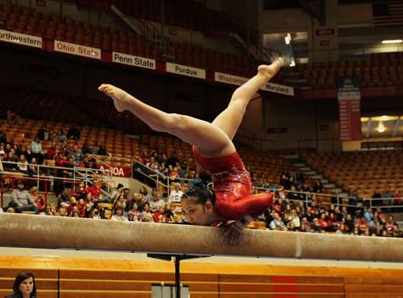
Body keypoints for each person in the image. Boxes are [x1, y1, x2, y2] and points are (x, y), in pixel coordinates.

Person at [99, 58, 283, 243]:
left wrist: (238, 223)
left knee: (238, 104)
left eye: (188, 212)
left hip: (216, 156)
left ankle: (263, 75)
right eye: (190, 212)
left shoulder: (218, 216)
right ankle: (127, 103)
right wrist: (240, 224)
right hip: (218, 154)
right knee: (176, 122)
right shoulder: (228, 209)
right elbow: (266, 198)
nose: (188, 218)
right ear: (208, 206)